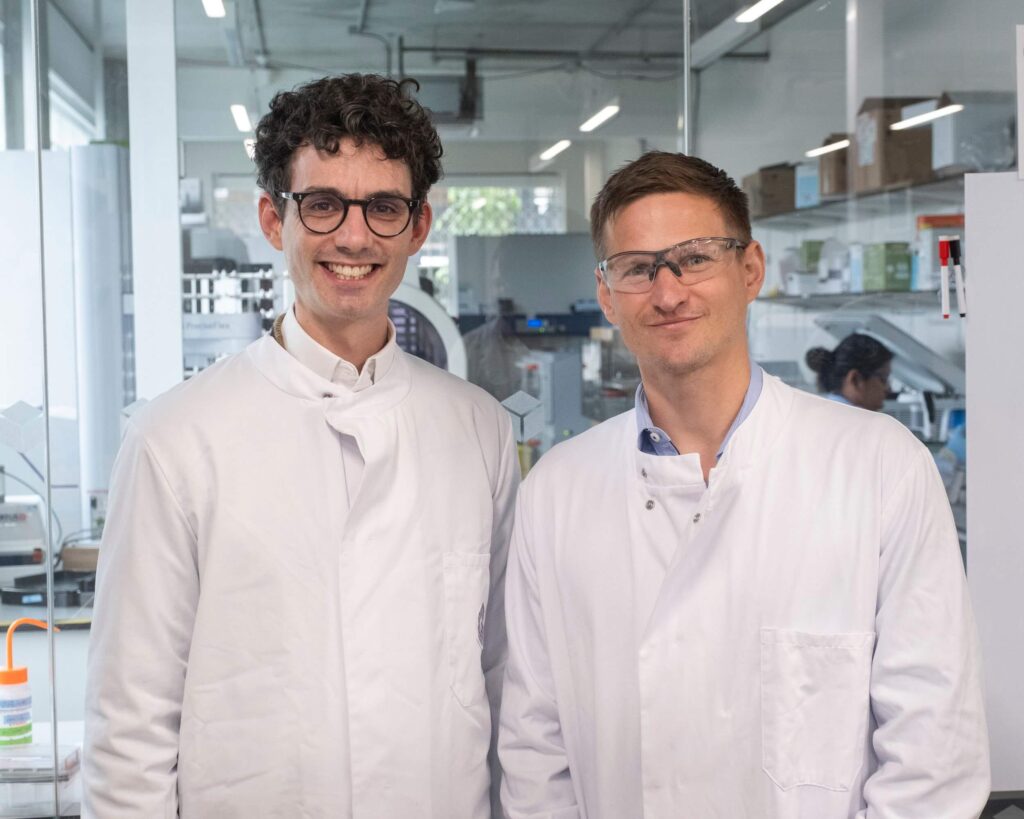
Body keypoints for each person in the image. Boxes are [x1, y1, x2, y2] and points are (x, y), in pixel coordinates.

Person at [498, 151, 989, 817]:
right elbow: (536, 750)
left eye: (696, 257)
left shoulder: (880, 466)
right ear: (608, 294)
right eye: (639, 268)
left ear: (750, 269)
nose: (669, 292)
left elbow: (933, 754)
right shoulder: (557, 490)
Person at [84, 74, 519, 818]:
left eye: (384, 207)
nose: (354, 237)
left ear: (418, 227)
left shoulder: (478, 427)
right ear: (272, 218)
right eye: (322, 204)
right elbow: (131, 721)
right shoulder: (175, 436)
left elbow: (507, 677)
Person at [806, 333, 894, 411]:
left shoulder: (825, 413)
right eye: (883, 379)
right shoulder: (858, 423)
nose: (888, 389)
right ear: (855, 380)